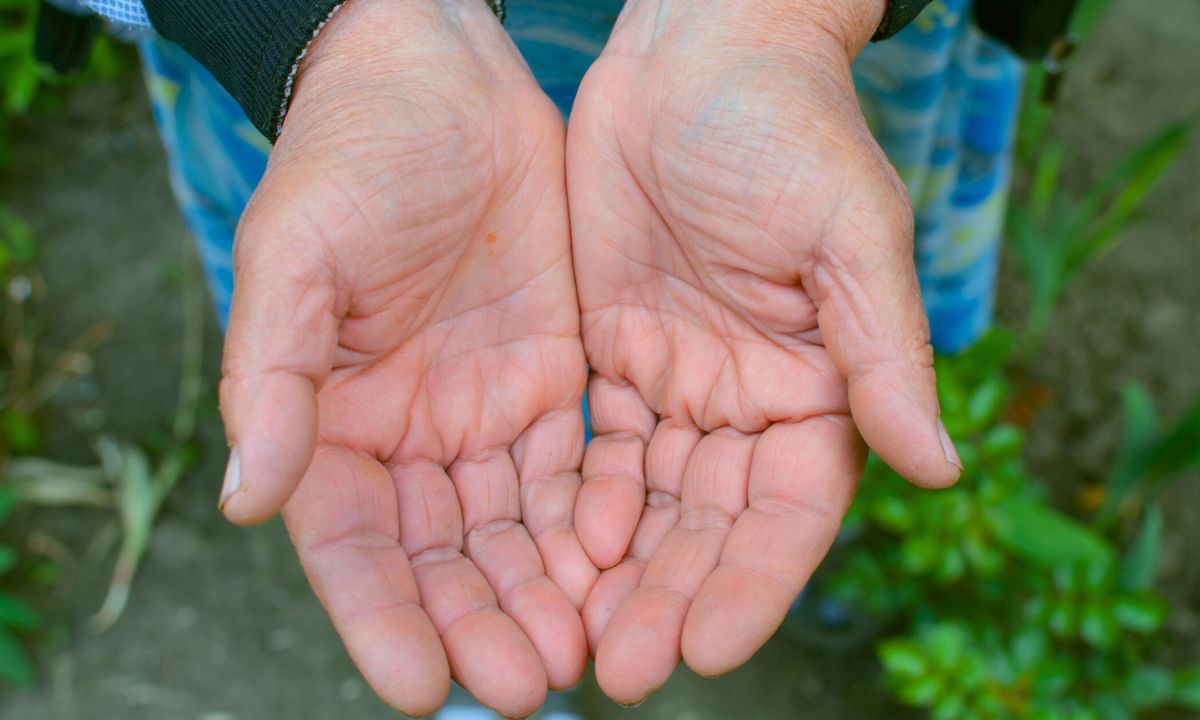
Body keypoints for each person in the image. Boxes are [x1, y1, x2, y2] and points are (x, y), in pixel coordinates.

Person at [48, 0, 1049, 715]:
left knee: (805, 345)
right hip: (319, 77)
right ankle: (486, 656)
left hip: (806, 59)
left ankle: (802, 538)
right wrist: (342, 33)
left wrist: (780, 20)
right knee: (356, 377)